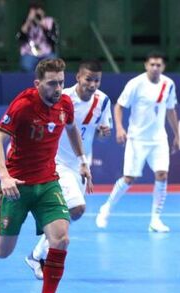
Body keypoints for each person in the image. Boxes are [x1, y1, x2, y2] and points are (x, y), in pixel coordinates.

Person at [0, 58, 91, 293]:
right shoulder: (23, 105)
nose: (58, 88)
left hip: (48, 182)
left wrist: (82, 160)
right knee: (3, 251)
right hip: (18, 185)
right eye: (52, 83)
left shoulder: (65, 105)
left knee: (61, 238)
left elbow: (71, 129)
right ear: (38, 84)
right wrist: (4, 176)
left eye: (61, 82)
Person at [25, 60, 112, 279]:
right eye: (88, 79)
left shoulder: (103, 101)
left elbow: (98, 136)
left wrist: (103, 133)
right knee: (77, 208)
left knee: (71, 213)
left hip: (82, 164)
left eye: (97, 80)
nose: (92, 84)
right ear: (78, 78)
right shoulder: (61, 97)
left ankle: (36, 255)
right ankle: (39, 253)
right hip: (57, 162)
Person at [96, 51, 180, 232]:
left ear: (163, 67)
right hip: (137, 139)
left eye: (159, 65)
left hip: (159, 140)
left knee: (162, 175)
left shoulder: (169, 85)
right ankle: (107, 208)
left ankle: (155, 219)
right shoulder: (135, 84)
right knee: (129, 179)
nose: (155, 68)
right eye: (152, 64)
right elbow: (118, 106)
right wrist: (119, 128)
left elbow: (171, 110)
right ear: (146, 65)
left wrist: (178, 135)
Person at [16, 3, 59, 73]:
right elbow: (20, 37)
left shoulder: (50, 21)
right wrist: (29, 21)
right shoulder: (26, 22)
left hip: (46, 53)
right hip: (29, 52)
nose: (36, 14)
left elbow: (54, 39)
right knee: (26, 66)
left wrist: (43, 25)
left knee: (52, 66)